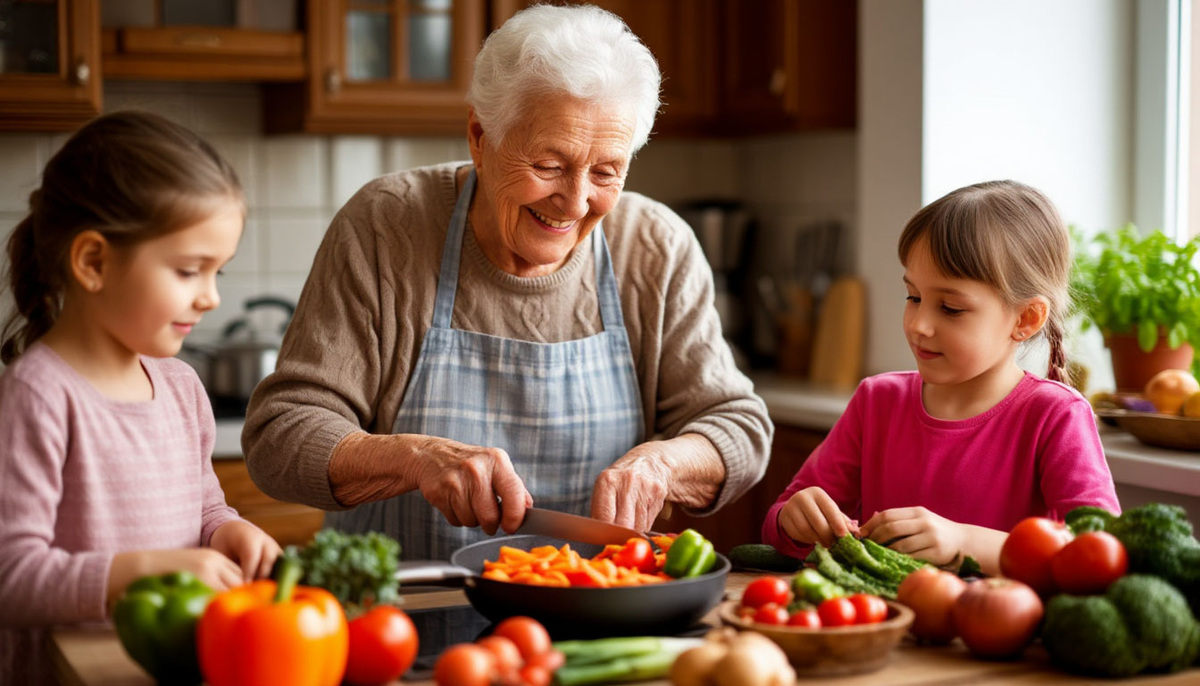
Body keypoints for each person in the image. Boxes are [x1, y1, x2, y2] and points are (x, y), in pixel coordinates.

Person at [242, 4, 772, 562]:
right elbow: (282, 435)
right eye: (548, 165)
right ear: (480, 136)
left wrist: (663, 463)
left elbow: (738, 427)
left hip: (598, 628)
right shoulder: (386, 225)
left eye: (605, 172)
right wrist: (417, 458)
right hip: (406, 625)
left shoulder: (655, 246)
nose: (574, 201)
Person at [0, 111, 281, 684]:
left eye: (218, 273)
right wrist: (145, 571)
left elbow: (203, 508)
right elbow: (11, 576)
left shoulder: (180, 387)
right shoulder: (39, 396)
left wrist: (228, 530)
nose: (210, 299)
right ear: (93, 262)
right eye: (188, 271)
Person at [762, 180, 1120, 575]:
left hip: (997, 634)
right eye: (913, 297)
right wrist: (793, 520)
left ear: (1026, 319)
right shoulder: (876, 401)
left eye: (950, 308)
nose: (919, 325)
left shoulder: (1055, 415)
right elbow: (778, 526)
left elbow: (1097, 553)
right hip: (884, 627)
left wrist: (967, 543)